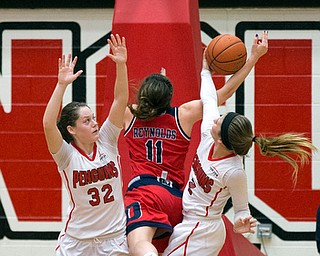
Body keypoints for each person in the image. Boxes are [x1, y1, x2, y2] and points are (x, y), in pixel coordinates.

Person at [163, 35, 317, 256]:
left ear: (222, 140)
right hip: (188, 219)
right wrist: (207, 70)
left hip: (202, 230)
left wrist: (240, 221)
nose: (216, 118)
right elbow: (209, 99)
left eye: (220, 121)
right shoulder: (209, 132)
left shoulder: (234, 171)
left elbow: (242, 208)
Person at [123, 31, 269, 256]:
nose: (216, 119)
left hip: (153, 195)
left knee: (137, 245)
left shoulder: (129, 114)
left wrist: (151, 85)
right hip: (176, 202)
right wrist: (252, 59)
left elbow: (119, 98)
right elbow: (220, 95)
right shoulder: (185, 114)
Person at [43, 34, 129, 255]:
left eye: (93, 118)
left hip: (113, 238)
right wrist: (61, 85)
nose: (95, 123)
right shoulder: (66, 155)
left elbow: (120, 100)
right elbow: (48, 124)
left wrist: (121, 65)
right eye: (87, 120)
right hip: (77, 240)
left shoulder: (107, 140)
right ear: (71, 129)